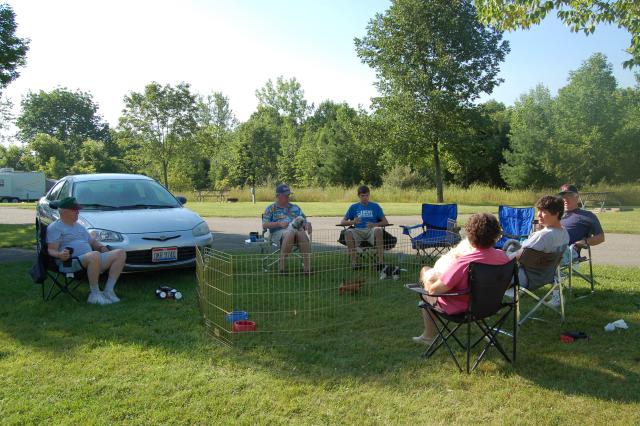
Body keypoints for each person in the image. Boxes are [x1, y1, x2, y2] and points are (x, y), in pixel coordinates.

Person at [413, 213, 509, 345]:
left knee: (426, 287)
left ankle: (428, 337)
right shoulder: (503, 257)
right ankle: (484, 330)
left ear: (470, 235)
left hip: (462, 308)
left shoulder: (464, 263)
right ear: (496, 235)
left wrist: (427, 277)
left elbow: (433, 291)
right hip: (490, 305)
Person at [46, 197, 127, 305]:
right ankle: (95, 294)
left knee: (120, 253)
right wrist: (60, 254)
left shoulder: (79, 227)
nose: (78, 212)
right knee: (94, 255)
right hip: (70, 262)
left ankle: (108, 291)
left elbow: (92, 242)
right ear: (65, 211)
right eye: (75, 210)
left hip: (92, 259)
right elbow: (51, 250)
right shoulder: (55, 227)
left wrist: (102, 248)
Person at [504, 195, 569, 305]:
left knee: (487, 271)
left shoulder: (543, 236)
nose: (538, 215)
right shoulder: (565, 233)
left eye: (544, 212)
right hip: (545, 276)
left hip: (524, 278)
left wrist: (503, 254)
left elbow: (516, 257)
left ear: (557, 213)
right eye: (538, 211)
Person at [262, 184, 312, 273]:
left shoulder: (295, 207)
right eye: (286, 195)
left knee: (300, 232)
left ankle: (307, 268)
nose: (288, 197)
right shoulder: (271, 208)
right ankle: (282, 268)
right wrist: (279, 223)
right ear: (278, 196)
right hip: (279, 234)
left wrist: (306, 224)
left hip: (297, 233)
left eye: (289, 195)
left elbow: (303, 220)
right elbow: (265, 225)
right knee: (290, 233)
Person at [340, 185, 389, 269]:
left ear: (369, 195)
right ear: (358, 196)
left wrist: (374, 225)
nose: (365, 198)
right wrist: (353, 222)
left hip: (371, 230)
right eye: (362, 196)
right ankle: (354, 263)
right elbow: (342, 222)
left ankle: (380, 262)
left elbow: (385, 222)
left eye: (367, 195)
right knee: (348, 232)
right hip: (358, 230)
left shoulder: (375, 206)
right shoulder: (354, 207)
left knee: (378, 230)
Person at [558, 184, 605, 249]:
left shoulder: (587, 216)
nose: (565, 199)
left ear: (577, 197)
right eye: (563, 196)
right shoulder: (556, 214)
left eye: (569, 196)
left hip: (566, 252)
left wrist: (584, 242)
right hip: (548, 248)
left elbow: (601, 237)